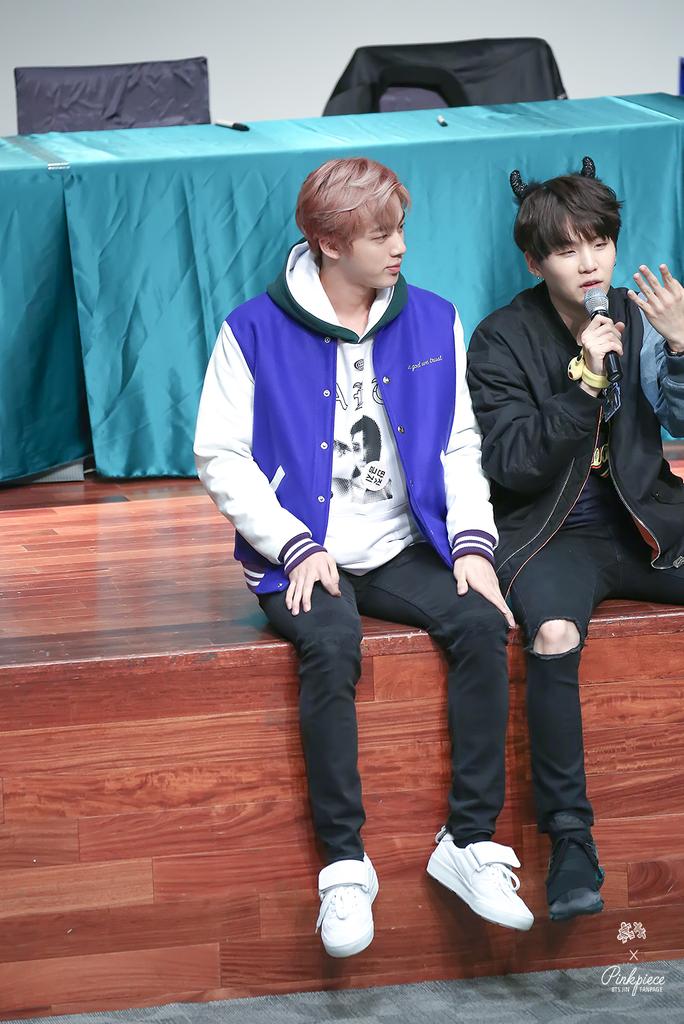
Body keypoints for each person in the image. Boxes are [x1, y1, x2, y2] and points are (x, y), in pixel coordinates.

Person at [194, 157, 534, 959]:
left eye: (401, 228)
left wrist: (472, 544)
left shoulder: (434, 318)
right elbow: (219, 454)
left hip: (399, 544)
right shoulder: (252, 329)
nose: (400, 247)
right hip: (303, 551)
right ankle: (345, 867)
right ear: (326, 242)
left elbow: (459, 443)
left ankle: (469, 842)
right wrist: (292, 543)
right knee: (330, 641)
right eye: (380, 235)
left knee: (483, 624)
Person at [467, 157, 684, 923]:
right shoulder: (500, 339)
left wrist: (681, 348)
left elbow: (679, 422)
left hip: (645, 520)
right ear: (536, 262)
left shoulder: (641, 316)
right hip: (549, 532)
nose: (588, 262)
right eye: (566, 249)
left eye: (599, 242)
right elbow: (512, 464)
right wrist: (585, 380)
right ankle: (570, 842)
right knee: (553, 633)